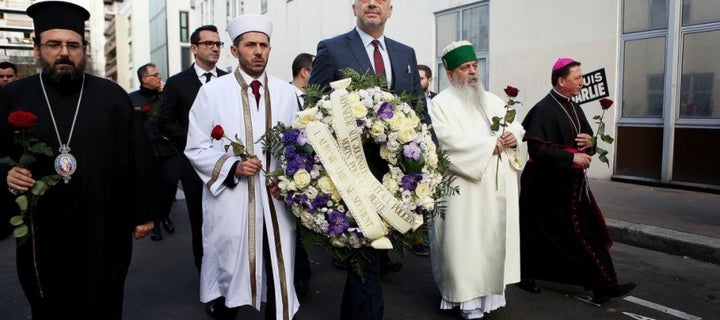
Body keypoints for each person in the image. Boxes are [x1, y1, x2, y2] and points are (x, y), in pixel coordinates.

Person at [0, 1, 158, 318]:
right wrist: (5, 174)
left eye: (73, 45)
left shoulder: (112, 96)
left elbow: (137, 155)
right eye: (54, 44)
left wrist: (144, 212)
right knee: (48, 305)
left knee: (104, 301)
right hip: (42, 227)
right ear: (36, 49)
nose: (64, 53)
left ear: (83, 49)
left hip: (104, 225)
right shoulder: (13, 96)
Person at [307, 0, 433, 318]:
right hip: (350, 174)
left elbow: (418, 111)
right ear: (354, 8)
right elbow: (313, 109)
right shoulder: (332, 49)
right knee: (364, 258)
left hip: (396, 176)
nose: (372, 3)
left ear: (390, 10)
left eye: (380, 0)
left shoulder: (405, 54)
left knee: (369, 262)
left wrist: (430, 163)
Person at [184, 14, 299, 320]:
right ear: (234, 51)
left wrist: (289, 180)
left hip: (277, 201)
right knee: (231, 270)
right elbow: (195, 146)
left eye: (263, 45)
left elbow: (299, 145)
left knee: (279, 270)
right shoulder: (212, 92)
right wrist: (233, 167)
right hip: (233, 202)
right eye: (250, 45)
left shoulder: (287, 92)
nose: (258, 51)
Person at [518, 57, 636, 304]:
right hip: (545, 186)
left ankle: (602, 284)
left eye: (581, 77)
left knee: (583, 231)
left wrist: (590, 145)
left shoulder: (574, 106)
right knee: (544, 233)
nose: (582, 82)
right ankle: (526, 275)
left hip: (570, 185)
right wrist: (571, 159)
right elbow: (537, 151)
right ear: (561, 81)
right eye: (577, 78)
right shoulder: (543, 109)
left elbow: (586, 139)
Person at [427, 40, 525, 319]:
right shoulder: (440, 105)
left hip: (495, 186)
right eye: (464, 67)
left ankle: (489, 299)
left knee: (491, 242)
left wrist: (512, 137)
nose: (472, 72)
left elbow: (516, 125)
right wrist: (487, 146)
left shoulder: (491, 99)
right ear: (450, 74)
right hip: (464, 189)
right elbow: (444, 140)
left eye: (474, 66)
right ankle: (466, 301)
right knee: (464, 243)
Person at [130, 63, 177, 241]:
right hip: (146, 152)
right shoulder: (132, 99)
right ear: (144, 79)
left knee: (170, 184)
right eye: (155, 75)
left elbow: (176, 117)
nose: (159, 78)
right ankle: (156, 223)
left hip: (168, 149)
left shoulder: (167, 96)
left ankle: (164, 214)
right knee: (153, 188)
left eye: (159, 74)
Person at [289, 52, 314, 296]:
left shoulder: (317, 99)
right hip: (294, 167)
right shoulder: (285, 97)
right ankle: (299, 275)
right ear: (304, 72)